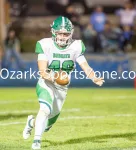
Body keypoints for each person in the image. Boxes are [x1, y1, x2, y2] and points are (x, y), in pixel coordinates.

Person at [22, 16, 105, 150]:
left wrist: (94, 77)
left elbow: (85, 66)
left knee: (48, 124)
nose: (62, 36)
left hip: (62, 87)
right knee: (45, 109)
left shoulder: (76, 46)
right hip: (46, 82)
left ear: (71, 33)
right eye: (59, 33)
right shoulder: (44, 44)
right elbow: (42, 71)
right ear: (53, 32)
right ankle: (36, 142)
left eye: (65, 33)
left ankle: (31, 122)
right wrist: (56, 78)